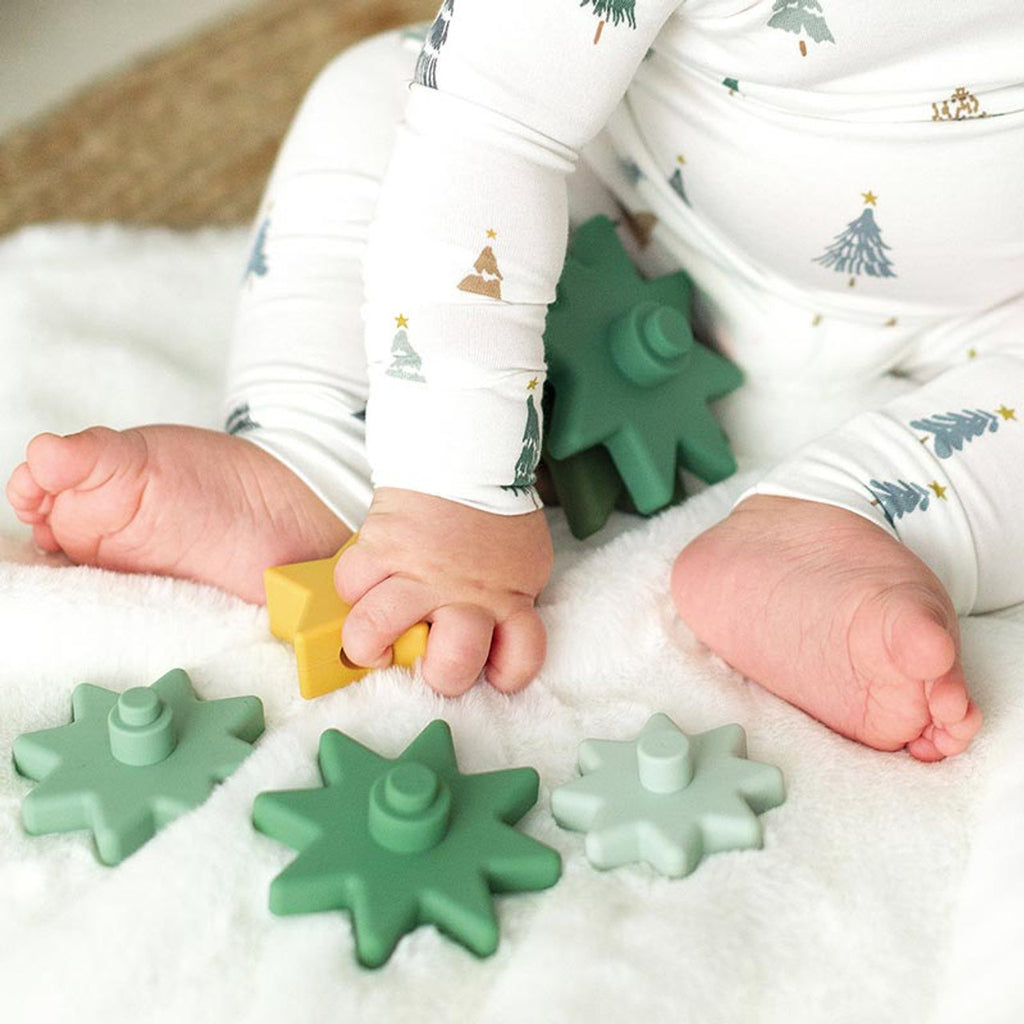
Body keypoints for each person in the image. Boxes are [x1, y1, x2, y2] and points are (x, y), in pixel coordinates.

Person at [12, 0, 1023, 762]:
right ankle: (311, 445)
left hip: (980, 332)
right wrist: (454, 483)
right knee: (392, 94)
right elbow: (491, 122)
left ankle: (847, 517)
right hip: (617, 211)